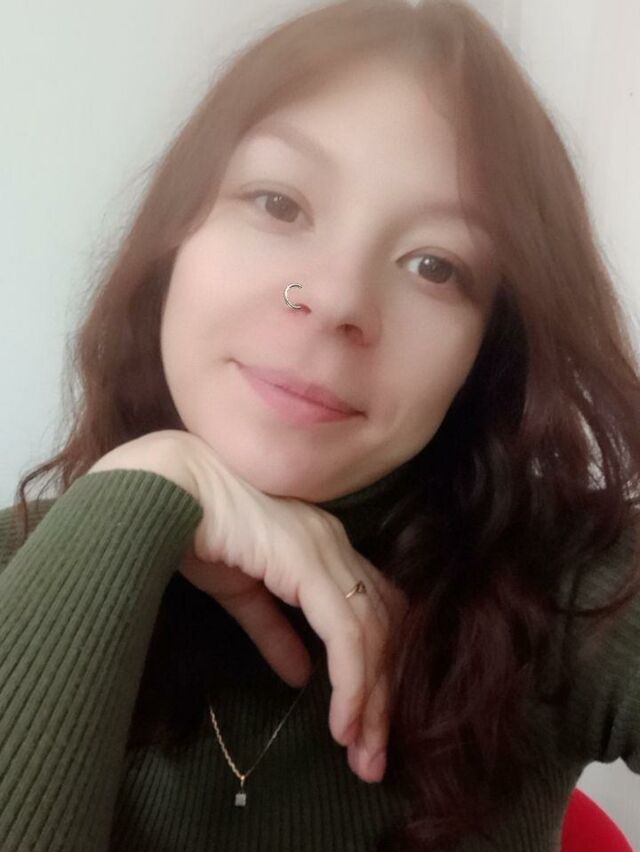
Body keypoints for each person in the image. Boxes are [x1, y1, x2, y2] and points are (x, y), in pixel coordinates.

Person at [1, 0, 639, 849]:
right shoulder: (22, 561)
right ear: (174, 237)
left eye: (434, 264)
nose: (334, 298)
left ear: (489, 348)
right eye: (279, 203)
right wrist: (141, 496)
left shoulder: (573, 586)